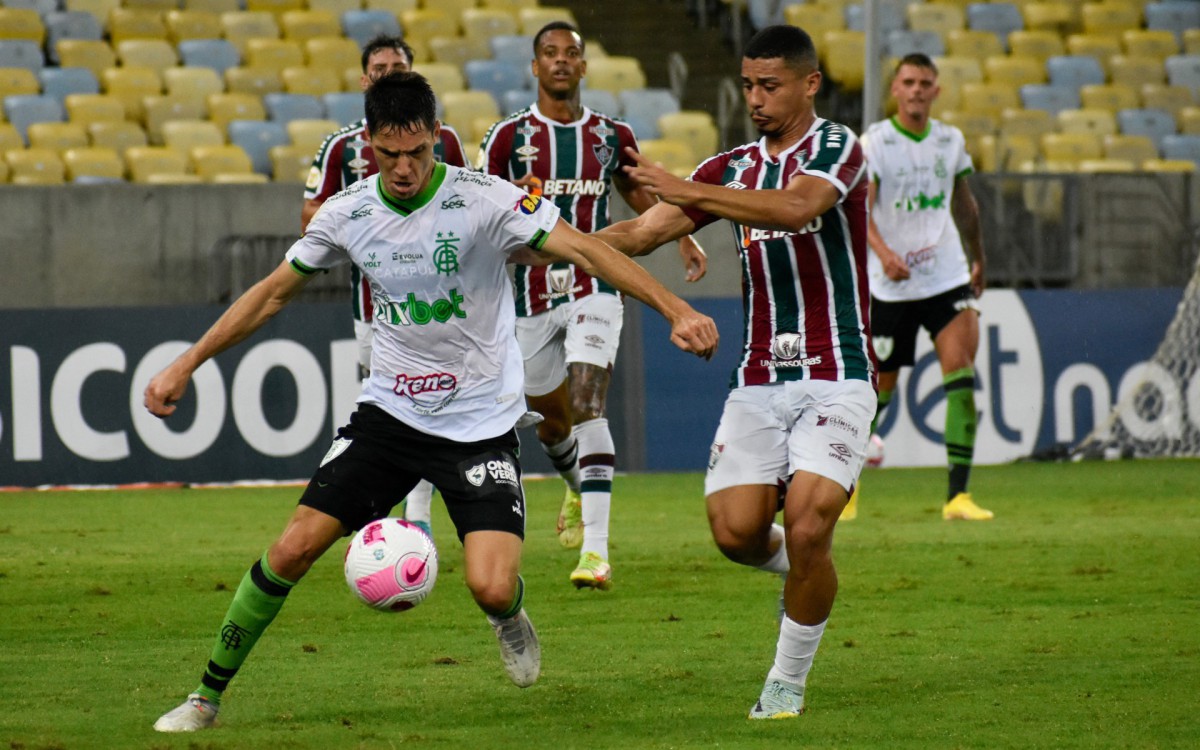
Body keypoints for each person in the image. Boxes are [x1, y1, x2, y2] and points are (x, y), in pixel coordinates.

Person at [147, 71, 718, 733]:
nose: (405, 168)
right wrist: (187, 362)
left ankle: (508, 618)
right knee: (292, 549)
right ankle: (204, 697)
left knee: (491, 586)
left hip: (479, 423)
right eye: (390, 155)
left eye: (417, 153)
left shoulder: (486, 200)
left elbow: (586, 249)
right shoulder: (349, 212)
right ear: (368, 145)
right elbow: (274, 292)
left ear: (434, 140)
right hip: (389, 415)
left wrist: (675, 308)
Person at [593, 25, 874, 719]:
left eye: (769, 85)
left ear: (810, 83)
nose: (755, 98)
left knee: (810, 525)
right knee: (735, 534)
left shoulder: (838, 149)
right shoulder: (729, 168)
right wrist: (547, 246)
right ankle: (807, 575)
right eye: (748, 85)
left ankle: (785, 682)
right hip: (757, 379)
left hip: (837, 372)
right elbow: (644, 233)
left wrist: (689, 190)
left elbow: (796, 207)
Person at [478, 21, 708, 590]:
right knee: (550, 424)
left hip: (594, 283)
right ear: (535, 67)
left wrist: (682, 233)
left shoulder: (609, 134)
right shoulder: (508, 139)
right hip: (530, 294)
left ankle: (597, 556)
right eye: (549, 54)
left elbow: (639, 192)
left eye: (571, 54)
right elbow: (479, 206)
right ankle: (580, 489)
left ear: (583, 67)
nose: (560, 62)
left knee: (586, 402)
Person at [302, 35, 469, 536]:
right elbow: (310, 213)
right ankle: (390, 514)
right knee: (391, 403)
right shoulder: (340, 146)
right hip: (372, 304)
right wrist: (361, 221)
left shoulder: (449, 141)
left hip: (438, 301)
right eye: (379, 67)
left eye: (398, 65)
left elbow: (467, 204)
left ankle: (414, 521)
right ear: (363, 79)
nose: (388, 72)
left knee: (426, 399)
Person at [859, 53, 992, 521]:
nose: (917, 90)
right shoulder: (875, 142)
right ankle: (846, 491)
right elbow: (863, 210)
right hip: (891, 285)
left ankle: (958, 497)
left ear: (936, 90)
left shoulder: (950, 141)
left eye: (925, 83)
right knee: (877, 394)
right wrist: (884, 253)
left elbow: (965, 204)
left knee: (960, 376)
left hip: (946, 275)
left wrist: (978, 256)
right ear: (895, 89)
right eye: (909, 82)